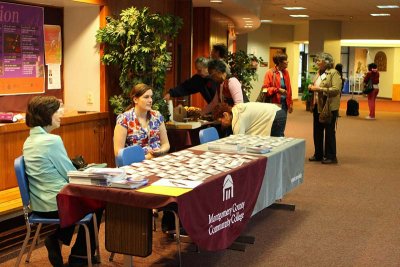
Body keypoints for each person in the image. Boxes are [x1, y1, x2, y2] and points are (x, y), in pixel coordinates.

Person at [23, 96, 102, 267]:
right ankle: (79, 256)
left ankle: (57, 240)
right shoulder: (52, 141)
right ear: (46, 114)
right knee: (98, 202)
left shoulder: (29, 140)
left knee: (85, 202)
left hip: (39, 204)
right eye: (57, 110)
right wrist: (90, 170)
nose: (61, 114)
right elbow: (70, 175)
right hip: (55, 205)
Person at [114, 83, 170, 160]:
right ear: (135, 99)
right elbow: (118, 153)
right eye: (146, 97)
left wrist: (160, 151)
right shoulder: (124, 119)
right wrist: (147, 157)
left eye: (151, 97)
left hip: (157, 162)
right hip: (134, 166)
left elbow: (166, 144)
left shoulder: (157, 116)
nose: (150, 100)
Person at [308, 52, 342, 164]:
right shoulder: (319, 73)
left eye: (319, 60)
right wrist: (311, 87)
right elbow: (316, 86)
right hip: (318, 106)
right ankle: (318, 154)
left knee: (329, 132)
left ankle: (331, 156)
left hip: (329, 107)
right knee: (317, 131)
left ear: (326, 62)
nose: (317, 62)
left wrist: (319, 89)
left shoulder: (334, 73)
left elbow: (336, 89)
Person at [212, 102, 287, 137]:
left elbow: (240, 141)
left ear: (225, 114)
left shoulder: (237, 120)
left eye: (220, 121)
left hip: (275, 117)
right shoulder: (237, 110)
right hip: (277, 111)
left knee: (276, 146)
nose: (222, 124)